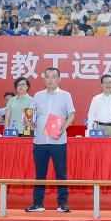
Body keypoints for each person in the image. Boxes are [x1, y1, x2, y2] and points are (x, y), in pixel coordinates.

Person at [27, 68, 76, 213]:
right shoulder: (37, 95)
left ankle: (62, 203)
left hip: (58, 141)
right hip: (40, 141)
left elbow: (71, 115)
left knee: (61, 173)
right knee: (40, 174)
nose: (50, 80)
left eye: (53, 77)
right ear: (44, 79)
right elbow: (31, 115)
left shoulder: (65, 95)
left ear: (59, 79)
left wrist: (62, 129)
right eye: (47, 77)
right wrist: (30, 123)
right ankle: (38, 203)